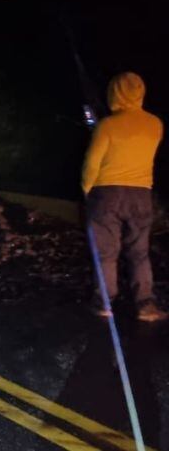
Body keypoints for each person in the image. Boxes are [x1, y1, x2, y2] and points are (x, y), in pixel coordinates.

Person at [82, 72, 166, 322]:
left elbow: (92, 163)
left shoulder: (107, 125)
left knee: (107, 252)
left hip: (107, 193)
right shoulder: (155, 124)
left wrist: (87, 188)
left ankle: (104, 303)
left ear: (115, 93)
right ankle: (146, 305)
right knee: (139, 252)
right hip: (141, 194)